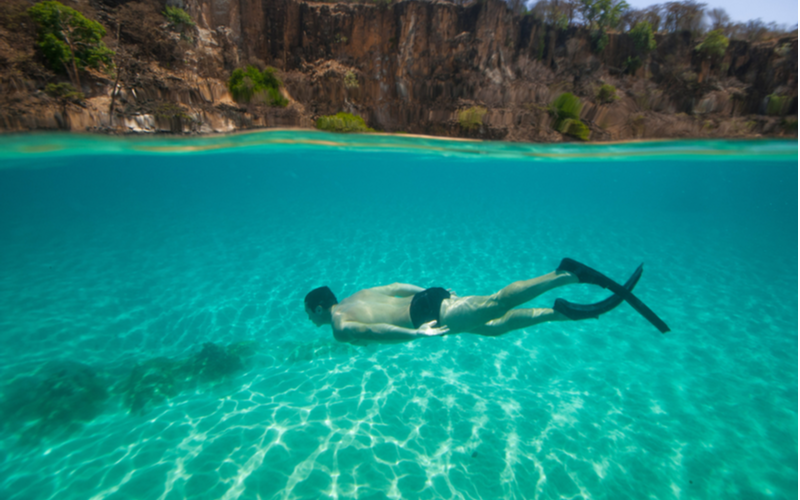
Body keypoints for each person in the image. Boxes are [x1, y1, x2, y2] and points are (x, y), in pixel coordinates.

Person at [304, 258, 669, 346]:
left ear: (320, 307)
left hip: (427, 315)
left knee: (495, 305)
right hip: (430, 298)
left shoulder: (338, 325)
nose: (309, 319)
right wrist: (440, 294)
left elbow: (370, 332)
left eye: (309, 314)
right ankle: (559, 314)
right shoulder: (358, 295)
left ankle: (565, 274)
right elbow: (399, 285)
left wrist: (418, 335)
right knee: (493, 328)